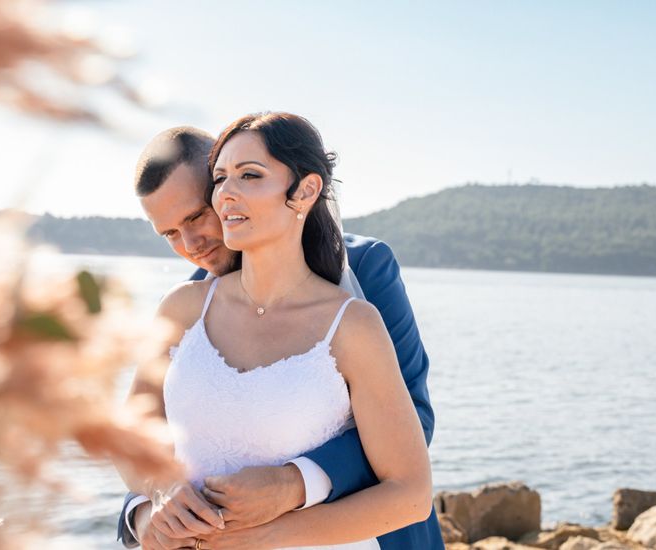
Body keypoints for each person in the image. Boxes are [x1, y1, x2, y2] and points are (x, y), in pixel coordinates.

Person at [117, 117, 443, 549]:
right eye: (170, 233)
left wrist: (295, 484)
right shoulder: (186, 304)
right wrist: (147, 508)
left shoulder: (361, 281)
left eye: (196, 216)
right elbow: (146, 433)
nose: (191, 243)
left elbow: (411, 424)